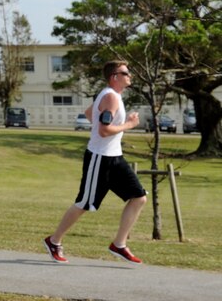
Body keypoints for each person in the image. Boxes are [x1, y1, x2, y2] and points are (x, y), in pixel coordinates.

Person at [43, 60, 147, 264]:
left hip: (115, 157)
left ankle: (119, 244)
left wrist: (110, 127)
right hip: (100, 158)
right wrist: (129, 125)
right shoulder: (111, 97)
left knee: (139, 197)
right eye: (126, 73)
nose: (130, 76)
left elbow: (90, 113)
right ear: (114, 77)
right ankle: (53, 241)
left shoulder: (111, 95)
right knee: (84, 203)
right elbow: (103, 130)